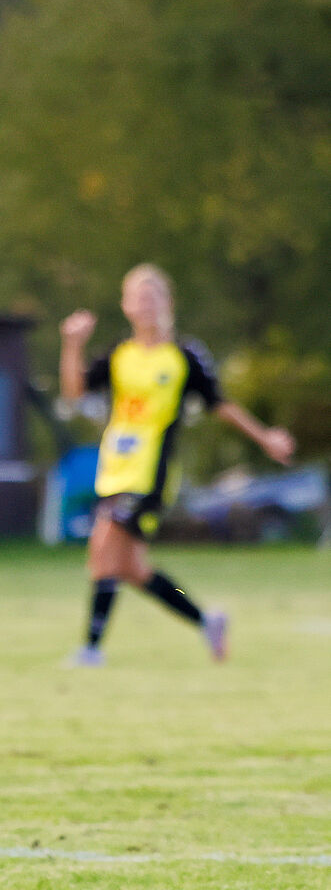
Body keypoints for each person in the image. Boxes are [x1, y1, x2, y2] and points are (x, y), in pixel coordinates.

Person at [58, 264, 295, 667]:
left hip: (151, 474)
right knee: (132, 568)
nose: (146, 305)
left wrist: (265, 437)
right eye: (138, 297)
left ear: (167, 303)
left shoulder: (183, 356)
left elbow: (220, 405)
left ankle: (91, 649)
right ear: (126, 305)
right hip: (114, 470)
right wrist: (73, 344)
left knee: (103, 546)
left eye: (154, 297)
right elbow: (75, 391)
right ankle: (207, 621)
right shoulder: (120, 354)